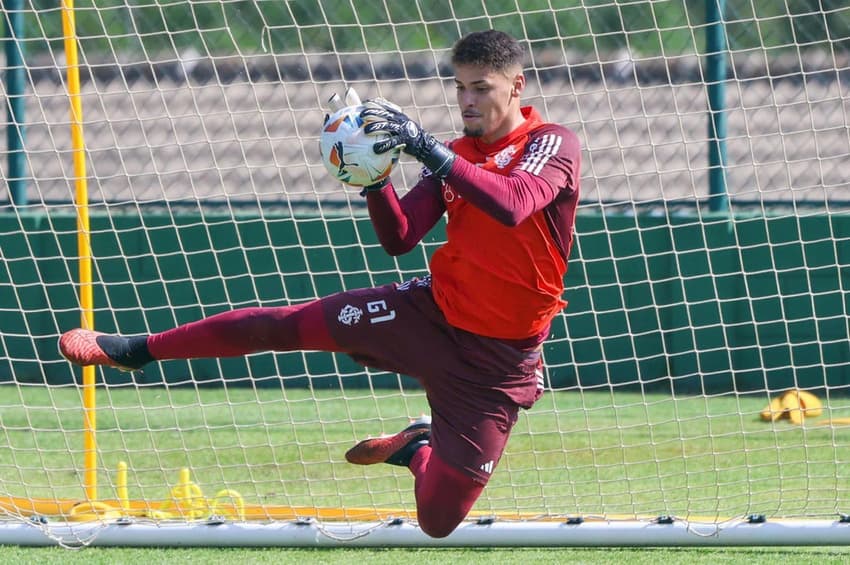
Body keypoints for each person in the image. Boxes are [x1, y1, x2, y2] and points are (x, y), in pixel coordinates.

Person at [59, 29, 581, 538]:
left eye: (481, 88)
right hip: (431, 313)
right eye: (460, 87)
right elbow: (400, 238)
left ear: (517, 86)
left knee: (437, 521)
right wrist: (373, 180)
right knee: (284, 325)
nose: (466, 100)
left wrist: (424, 148)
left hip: (498, 362)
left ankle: (417, 447)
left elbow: (513, 203)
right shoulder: (454, 154)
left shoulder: (552, 143)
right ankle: (135, 349)